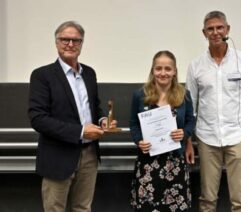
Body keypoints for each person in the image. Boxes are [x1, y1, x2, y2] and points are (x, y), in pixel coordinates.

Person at [185, 11, 241, 212]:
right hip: (207, 138)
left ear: (227, 29)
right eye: (210, 29)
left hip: (237, 136)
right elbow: (190, 106)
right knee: (207, 200)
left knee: (240, 201)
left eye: (219, 27)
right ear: (204, 33)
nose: (215, 32)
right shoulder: (195, 65)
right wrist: (188, 141)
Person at [28, 21, 116, 212]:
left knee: (83, 208)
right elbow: (38, 119)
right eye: (64, 39)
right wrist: (82, 130)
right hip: (57, 156)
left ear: (82, 43)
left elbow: (95, 107)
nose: (70, 44)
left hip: (89, 155)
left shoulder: (89, 73)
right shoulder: (42, 76)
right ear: (56, 42)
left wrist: (102, 121)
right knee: (54, 209)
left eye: (75, 40)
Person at [130, 50, 196, 211]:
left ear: (174, 71)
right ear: (152, 71)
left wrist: (185, 133)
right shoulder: (140, 95)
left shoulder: (184, 95)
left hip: (175, 162)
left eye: (168, 69)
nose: (163, 73)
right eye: (158, 68)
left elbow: (191, 120)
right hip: (148, 163)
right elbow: (133, 124)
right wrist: (139, 141)